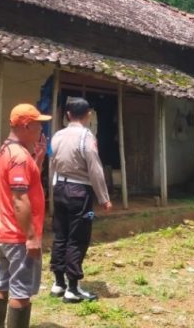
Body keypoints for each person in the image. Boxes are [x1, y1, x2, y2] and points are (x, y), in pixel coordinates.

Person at [0, 104, 51, 328]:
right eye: (38, 125)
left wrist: (39, 159)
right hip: (19, 236)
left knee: (1, 285)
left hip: (5, 234)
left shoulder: (7, 149)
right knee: (21, 293)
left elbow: (26, 182)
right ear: (26, 126)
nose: (41, 130)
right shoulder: (19, 157)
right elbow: (19, 199)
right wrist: (32, 236)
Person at [49, 97, 113, 303]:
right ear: (88, 115)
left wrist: (53, 188)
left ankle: (58, 283)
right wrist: (104, 198)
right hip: (79, 192)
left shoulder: (57, 135)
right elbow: (95, 168)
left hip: (59, 188)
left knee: (61, 235)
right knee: (78, 237)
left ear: (68, 115)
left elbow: (52, 163)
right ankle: (73, 287)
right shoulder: (87, 137)